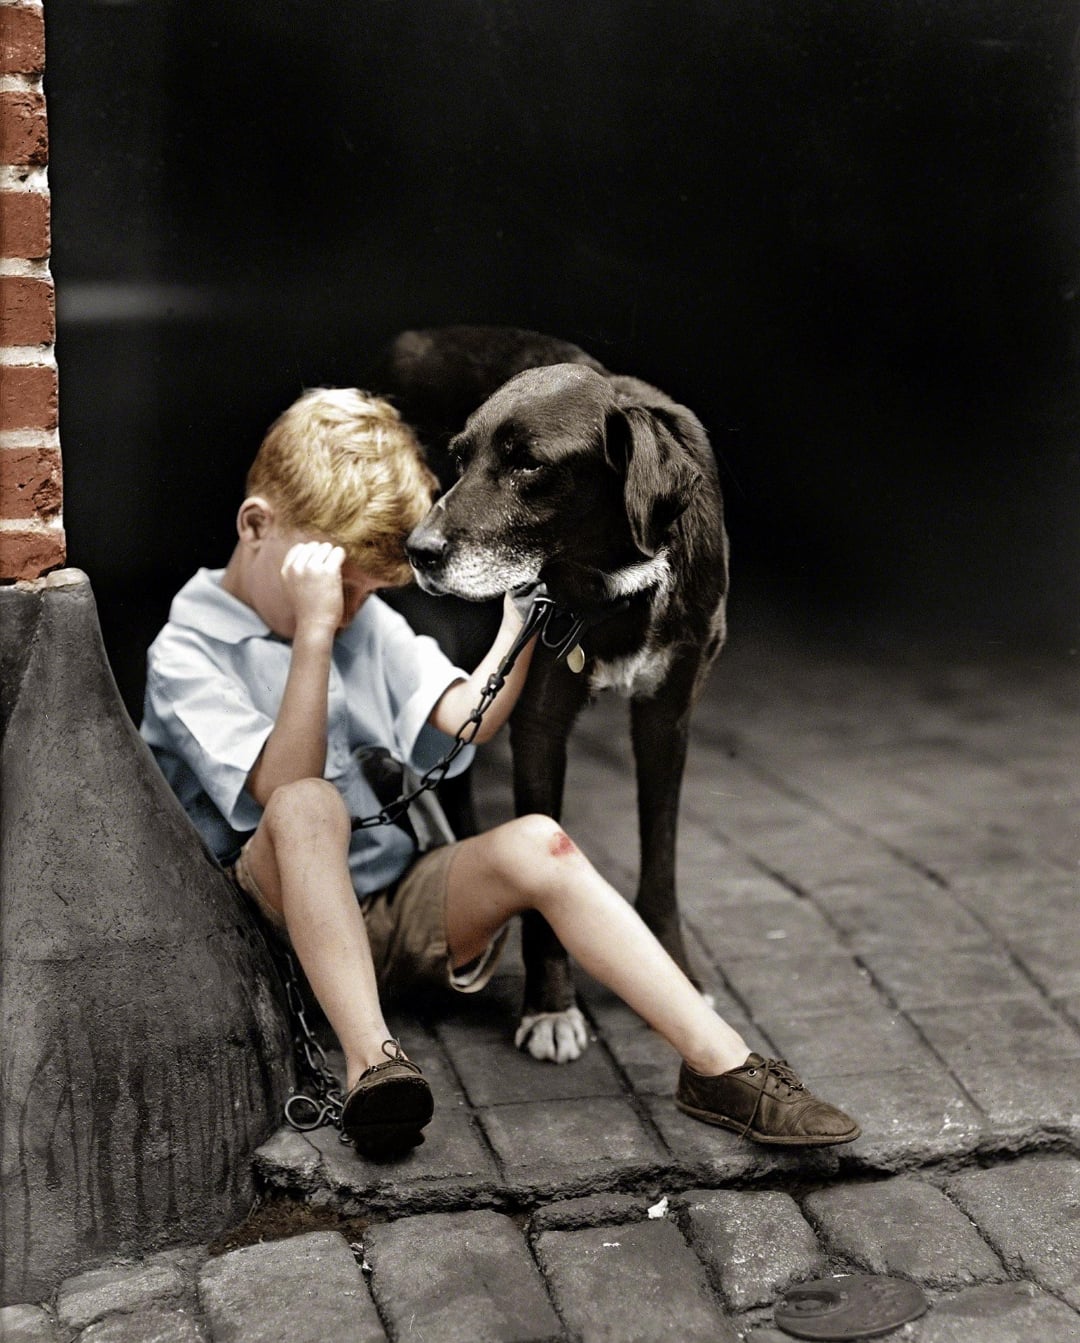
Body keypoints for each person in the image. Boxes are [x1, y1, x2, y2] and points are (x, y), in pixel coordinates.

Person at [141, 387, 860, 1158]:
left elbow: (468, 717)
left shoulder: (361, 621)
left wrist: (516, 624)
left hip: (392, 910)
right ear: (256, 527)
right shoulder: (186, 652)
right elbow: (281, 785)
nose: (349, 609)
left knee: (540, 841)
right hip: (277, 932)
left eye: (364, 593)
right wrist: (314, 636)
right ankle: (372, 1063)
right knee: (307, 804)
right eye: (340, 587)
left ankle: (721, 1064)